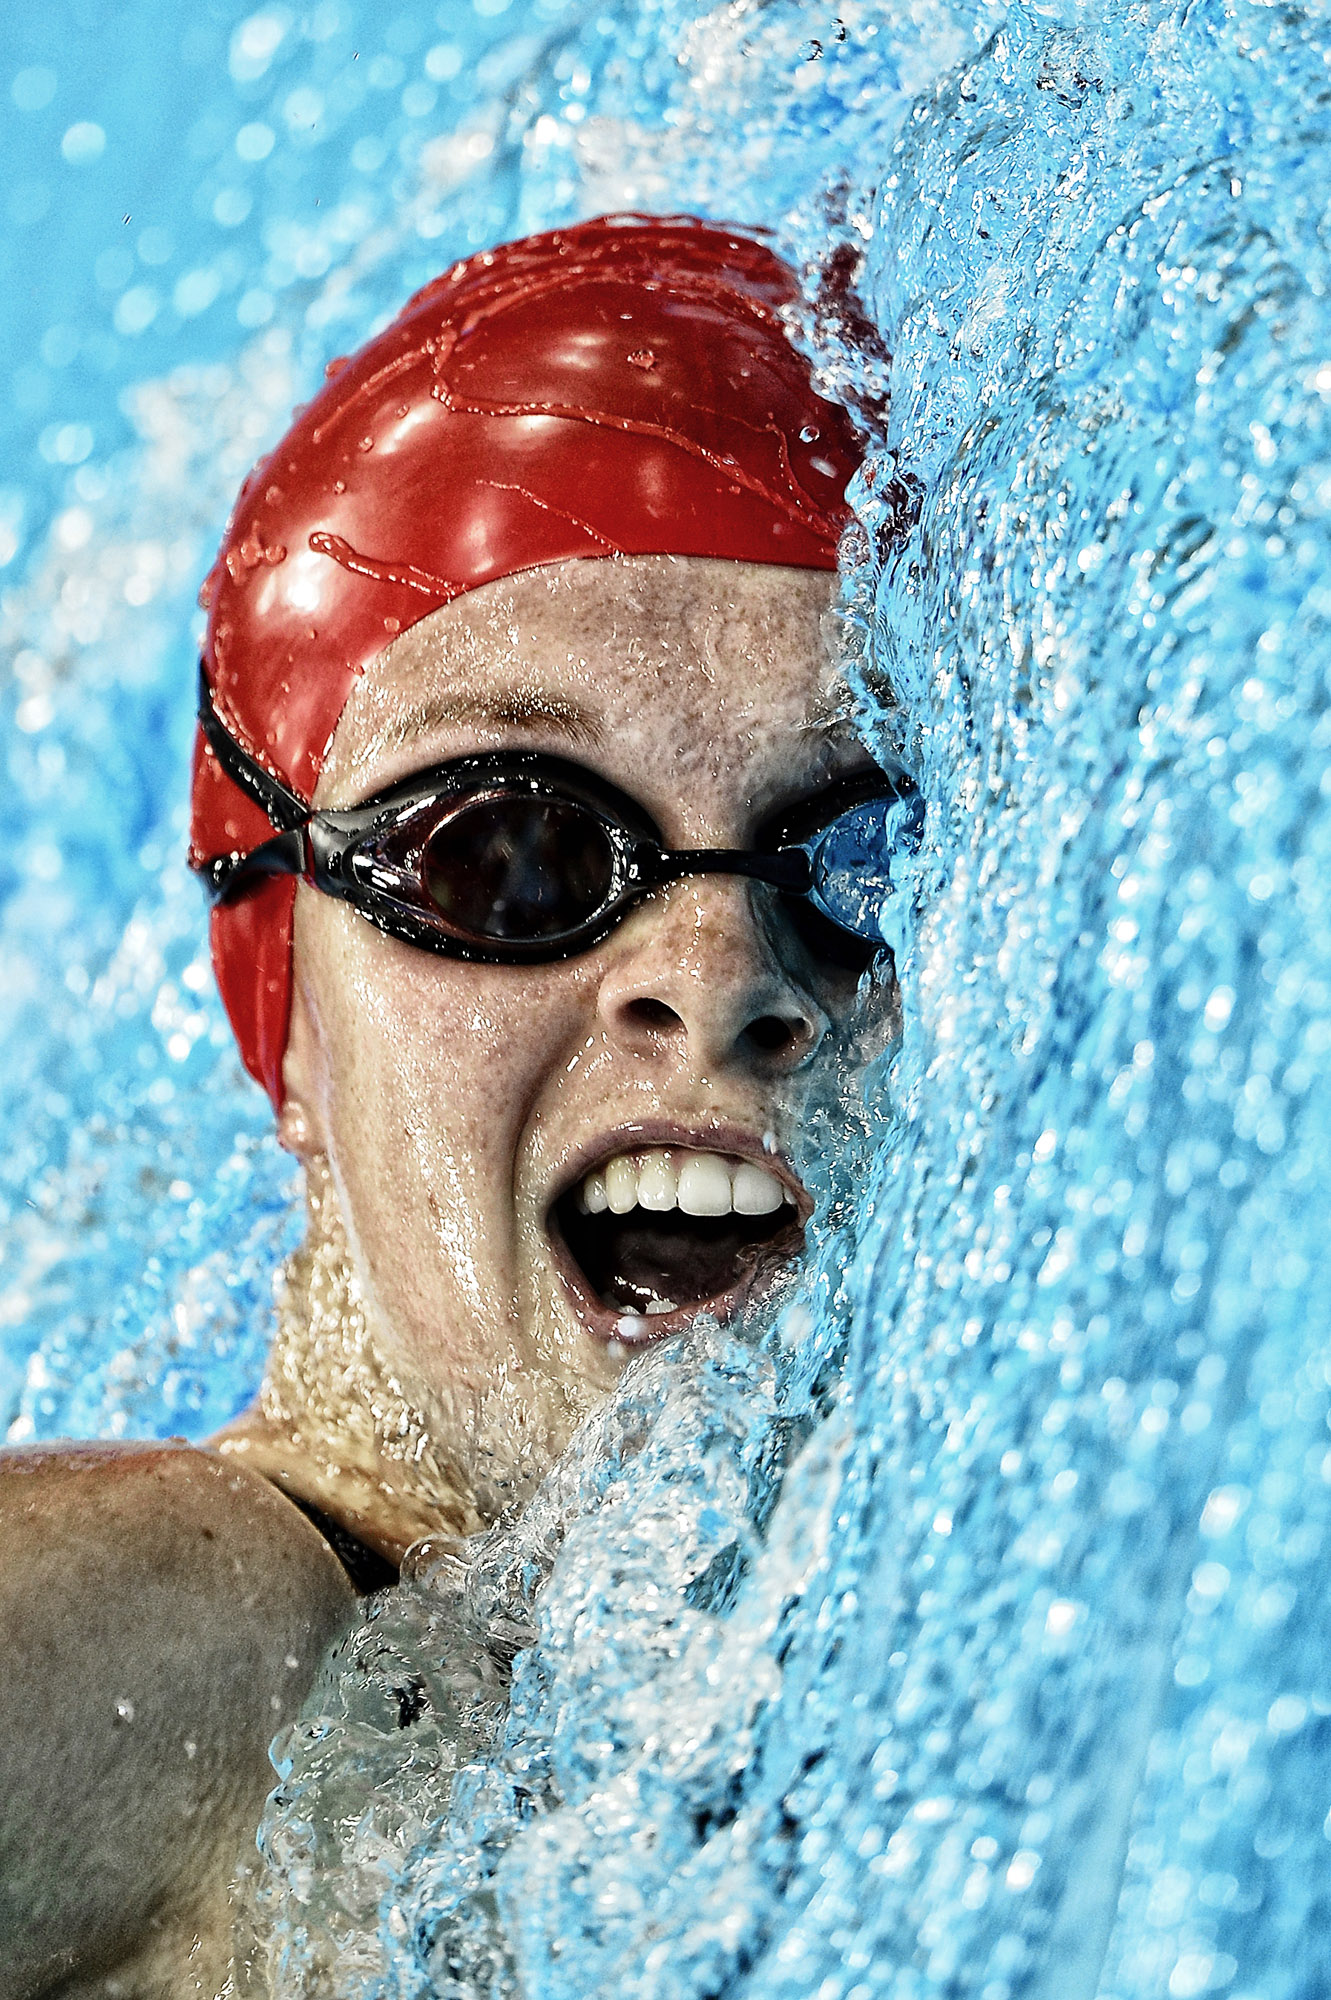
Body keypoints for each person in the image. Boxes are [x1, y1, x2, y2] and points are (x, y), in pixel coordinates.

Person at [0, 215, 916, 1996]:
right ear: (294, 1024)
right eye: (512, 849)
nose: (721, 967)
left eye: (858, 857)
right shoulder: (207, 1632)